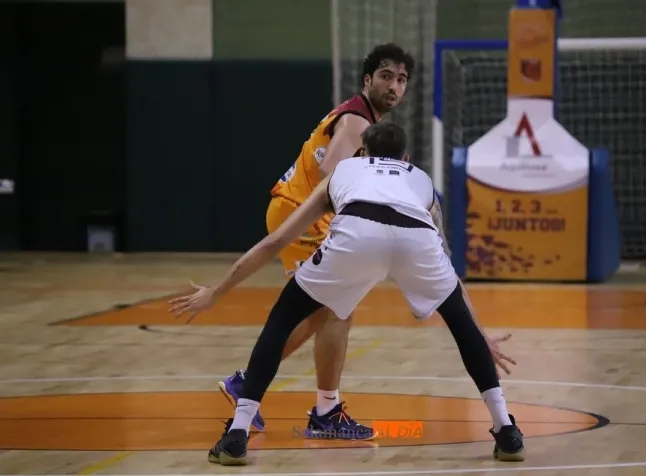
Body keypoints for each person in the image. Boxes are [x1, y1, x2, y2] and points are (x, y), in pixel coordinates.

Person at [170, 122, 525, 466]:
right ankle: (506, 430)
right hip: (415, 236)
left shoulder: (344, 171)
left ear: (362, 152)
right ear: (406, 158)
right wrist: (479, 335)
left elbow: (276, 240)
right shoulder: (421, 180)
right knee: (459, 323)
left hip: (358, 232)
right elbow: (447, 269)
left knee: (284, 318)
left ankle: (237, 433)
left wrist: (216, 291)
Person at [210, 43, 415, 441]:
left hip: (300, 209)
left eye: (401, 80)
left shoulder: (359, 116)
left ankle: (310, 405)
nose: (394, 86)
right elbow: (330, 171)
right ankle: (299, 402)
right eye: (386, 76)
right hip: (303, 214)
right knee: (333, 308)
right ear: (368, 80)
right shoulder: (356, 120)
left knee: (332, 310)